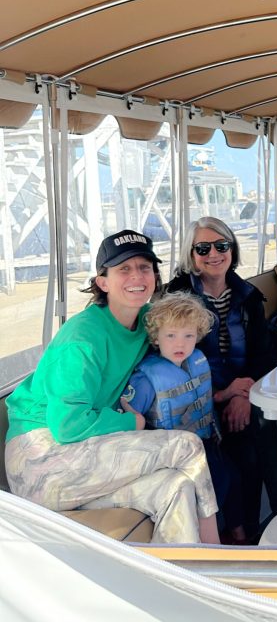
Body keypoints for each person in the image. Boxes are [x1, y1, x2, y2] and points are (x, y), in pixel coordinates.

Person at [4, 230, 219, 544]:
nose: (137, 276)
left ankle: (183, 579)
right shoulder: (82, 340)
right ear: (102, 282)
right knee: (185, 446)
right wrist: (132, 422)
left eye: (145, 268)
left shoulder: (146, 322)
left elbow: (183, 328)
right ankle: (218, 551)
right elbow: (68, 425)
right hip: (40, 461)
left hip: (84, 456)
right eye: (124, 269)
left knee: (176, 487)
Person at [167, 217, 277, 541]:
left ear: (232, 249)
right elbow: (171, 361)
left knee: (261, 430)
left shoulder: (248, 296)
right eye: (203, 248)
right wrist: (222, 395)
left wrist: (241, 394)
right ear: (191, 254)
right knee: (251, 446)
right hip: (197, 402)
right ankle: (247, 535)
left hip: (242, 393)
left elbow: (263, 354)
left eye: (221, 245)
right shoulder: (176, 299)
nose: (214, 253)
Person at [123, 292, 249, 545]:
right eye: (171, 335)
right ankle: (216, 545)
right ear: (156, 338)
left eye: (188, 336)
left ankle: (241, 539)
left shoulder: (197, 361)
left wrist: (228, 394)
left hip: (208, 443)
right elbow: (129, 422)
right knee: (216, 489)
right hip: (176, 459)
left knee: (233, 482)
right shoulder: (146, 380)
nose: (180, 344)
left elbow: (202, 395)